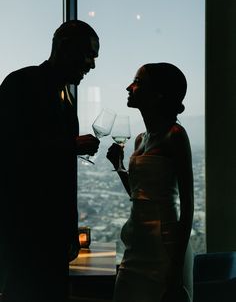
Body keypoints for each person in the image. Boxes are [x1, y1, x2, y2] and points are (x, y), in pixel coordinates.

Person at [0, 20, 100, 302]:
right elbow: (7, 148)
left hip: (48, 236)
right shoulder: (20, 83)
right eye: (89, 54)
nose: (92, 65)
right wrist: (69, 145)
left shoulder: (63, 94)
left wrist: (68, 232)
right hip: (24, 234)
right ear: (65, 47)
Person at [107, 63, 194, 302]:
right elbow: (138, 195)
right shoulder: (139, 140)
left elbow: (187, 207)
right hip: (137, 244)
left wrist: (175, 269)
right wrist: (119, 167)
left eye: (137, 82)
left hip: (163, 248)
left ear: (157, 94)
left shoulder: (175, 135)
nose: (129, 87)